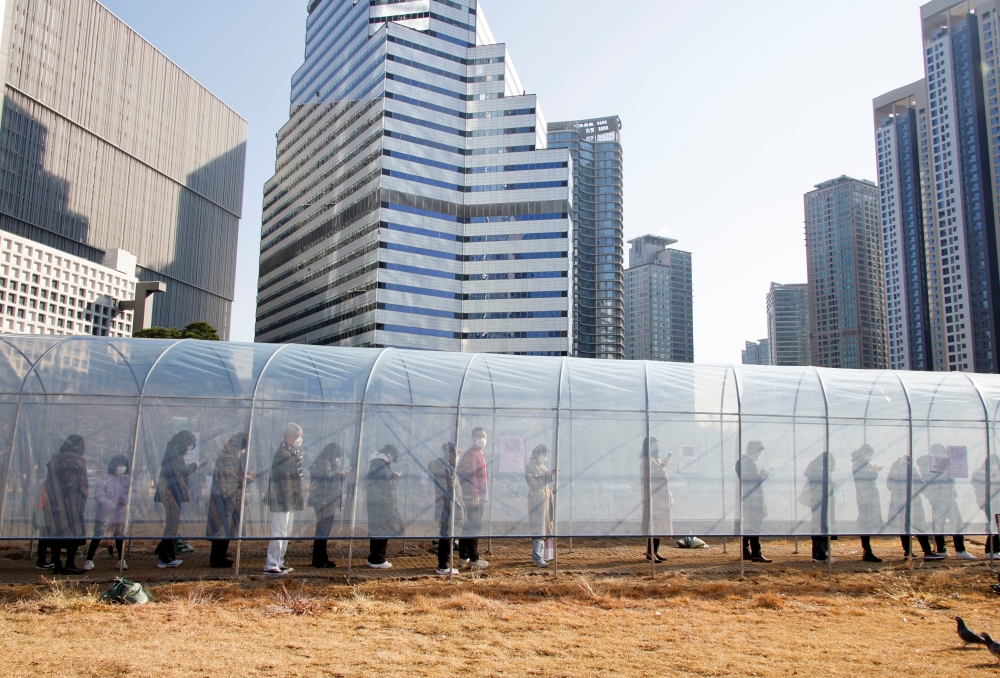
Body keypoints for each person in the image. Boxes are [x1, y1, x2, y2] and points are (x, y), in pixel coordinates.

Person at [206, 433, 255, 568]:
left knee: (225, 529)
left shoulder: (230, 456)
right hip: (225, 498)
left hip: (227, 497)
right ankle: (217, 559)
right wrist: (244, 479)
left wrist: (245, 476)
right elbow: (228, 477)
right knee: (222, 529)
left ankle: (219, 556)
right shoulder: (228, 458)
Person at [41, 435, 88, 575]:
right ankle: (69, 564)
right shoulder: (79, 460)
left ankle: (57, 564)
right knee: (74, 533)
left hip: (55, 502)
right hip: (73, 504)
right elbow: (82, 485)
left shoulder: (55, 459)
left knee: (57, 532)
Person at [153, 430, 199, 568]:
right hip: (172, 493)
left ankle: (167, 556)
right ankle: (165, 558)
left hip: (171, 493)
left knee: (172, 525)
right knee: (172, 525)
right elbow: (183, 471)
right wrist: (195, 466)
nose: (188, 449)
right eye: (188, 446)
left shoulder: (171, 452)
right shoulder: (174, 456)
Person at [919, 448, 975, 560]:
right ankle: (941, 549)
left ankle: (960, 550)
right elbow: (927, 481)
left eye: (943, 453)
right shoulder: (927, 466)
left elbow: (953, 478)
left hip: (949, 498)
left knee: (957, 523)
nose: (941, 455)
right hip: (938, 499)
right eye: (938, 453)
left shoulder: (945, 465)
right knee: (939, 524)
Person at [264, 423, 305, 575]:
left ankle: (279, 562)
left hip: (289, 499)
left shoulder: (292, 452)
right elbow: (284, 479)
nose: (299, 440)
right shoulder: (283, 454)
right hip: (282, 499)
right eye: (297, 437)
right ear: (289, 438)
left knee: (285, 532)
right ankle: (272, 564)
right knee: (279, 531)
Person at [885, 454, 941, 560]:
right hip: (913, 501)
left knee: (904, 528)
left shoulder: (894, 470)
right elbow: (919, 484)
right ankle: (927, 552)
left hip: (898, 503)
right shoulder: (911, 468)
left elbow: (889, 486)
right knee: (919, 527)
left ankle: (908, 552)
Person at [84, 455, 130, 571]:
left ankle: (121, 560)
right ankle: (89, 560)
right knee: (98, 535)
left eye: (123, 465)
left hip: (120, 513)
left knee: (119, 536)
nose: (121, 468)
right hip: (105, 513)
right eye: (119, 465)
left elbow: (134, 493)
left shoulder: (127, 479)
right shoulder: (105, 479)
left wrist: (124, 499)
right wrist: (110, 506)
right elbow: (98, 495)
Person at [308, 442, 347, 568]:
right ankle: (320, 560)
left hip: (327, 501)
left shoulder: (324, 462)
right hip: (325, 501)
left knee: (323, 531)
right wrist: (341, 475)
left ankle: (320, 558)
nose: (337, 459)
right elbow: (328, 479)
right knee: (322, 531)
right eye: (336, 456)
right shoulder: (325, 463)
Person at [457, 427, 489, 570]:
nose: (482, 438)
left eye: (484, 435)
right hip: (473, 496)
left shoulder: (479, 453)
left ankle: (464, 556)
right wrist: (475, 495)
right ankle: (473, 559)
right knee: (474, 526)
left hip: (478, 495)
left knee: (469, 526)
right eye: (479, 435)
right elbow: (472, 476)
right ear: (473, 438)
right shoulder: (471, 454)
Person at [366, 444, 402, 569]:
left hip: (377, 504)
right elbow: (387, 485)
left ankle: (374, 557)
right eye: (393, 457)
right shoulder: (381, 465)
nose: (392, 460)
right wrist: (396, 478)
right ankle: (378, 559)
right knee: (382, 531)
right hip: (382, 505)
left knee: (377, 530)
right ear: (389, 454)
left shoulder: (376, 464)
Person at [428, 442, 462, 575]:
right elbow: (448, 489)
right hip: (446, 506)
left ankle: (444, 564)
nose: (457, 456)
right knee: (446, 535)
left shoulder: (450, 468)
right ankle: (443, 565)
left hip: (450, 506)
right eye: (455, 454)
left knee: (449, 535)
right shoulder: (443, 467)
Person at [735, 440, 772, 563]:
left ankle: (746, 551)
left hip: (747, 499)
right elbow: (756, 480)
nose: (759, 456)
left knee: (748, 526)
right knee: (755, 525)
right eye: (759, 453)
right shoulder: (748, 463)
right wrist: (764, 473)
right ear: (754, 451)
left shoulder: (741, 462)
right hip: (754, 500)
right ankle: (756, 552)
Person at [640, 437, 672, 563]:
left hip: (660, 500)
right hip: (653, 499)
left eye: (657, 446)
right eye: (654, 446)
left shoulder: (654, 460)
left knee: (659, 526)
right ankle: (649, 552)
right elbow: (652, 476)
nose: (657, 449)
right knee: (652, 526)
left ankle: (655, 550)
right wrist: (662, 465)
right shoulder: (646, 461)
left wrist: (662, 464)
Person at [802, 452, 836, 563]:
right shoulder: (821, 471)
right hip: (822, 500)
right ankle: (821, 555)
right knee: (823, 526)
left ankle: (817, 554)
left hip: (818, 500)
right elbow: (823, 486)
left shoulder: (814, 470)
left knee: (817, 526)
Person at [851, 444, 883, 563]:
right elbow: (864, 477)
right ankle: (867, 550)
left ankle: (867, 550)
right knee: (866, 523)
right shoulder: (860, 463)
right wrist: (874, 471)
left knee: (867, 523)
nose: (870, 457)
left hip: (866, 496)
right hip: (866, 497)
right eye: (869, 454)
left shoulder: (860, 463)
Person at [525, 444, 555, 567]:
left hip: (545, 498)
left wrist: (550, 488)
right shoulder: (530, 466)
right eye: (543, 455)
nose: (545, 458)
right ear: (537, 454)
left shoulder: (541, 465)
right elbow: (533, 481)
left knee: (546, 527)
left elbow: (543, 481)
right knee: (538, 527)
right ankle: (537, 556)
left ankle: (544, 555)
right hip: (537, 500)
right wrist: (548, 475)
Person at [971, 455, 1000, 559]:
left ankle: (995, 549)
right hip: (989, 503)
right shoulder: (981, 473)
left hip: (997, 502)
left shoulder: (994, 473)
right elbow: (982, 489)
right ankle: (990, 551)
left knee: (997, 526)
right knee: (994, 526)